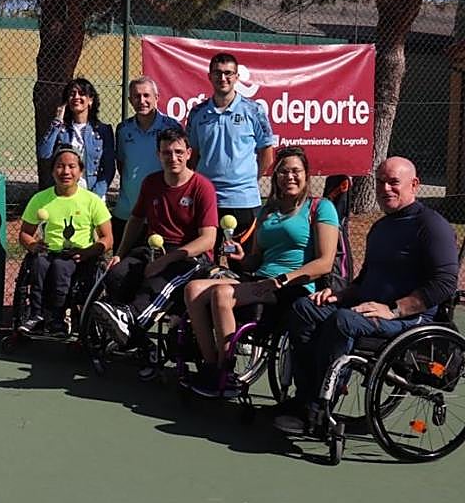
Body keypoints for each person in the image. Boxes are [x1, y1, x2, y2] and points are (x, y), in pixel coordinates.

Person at [279, 157, 459, 434]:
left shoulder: (432, 226)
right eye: (380, 182)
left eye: (393, 183)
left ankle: (317, 410)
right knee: (305, 308)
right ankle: (304, 398)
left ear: (415, 185)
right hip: (367, 308)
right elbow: (364, 281)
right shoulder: (381, 227)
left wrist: (395, 309)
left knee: (343, 322)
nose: (385, 189)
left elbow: (445, 283)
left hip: (409, 320)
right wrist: (340, 294)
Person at [181, 146, 338, 398]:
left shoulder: (320, 208)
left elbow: (324, 263)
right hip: (260, 279)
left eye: (296, 171)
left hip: (293, 287)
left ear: (307, 175)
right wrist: (242, 258)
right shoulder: (268, 210)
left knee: (222, 294)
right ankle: (211, 365)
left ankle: (226, 372)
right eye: (283, 172)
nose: (289, 177)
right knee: (193, 288)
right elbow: (257, 260)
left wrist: (284, 279)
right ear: (275, 177)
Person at [89, 128, 218, 350]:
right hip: (153, 250)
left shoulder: (202, 187)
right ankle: (140, 344)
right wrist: (119, 254)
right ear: (158, 155)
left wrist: (166, 260)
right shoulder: (151, 182)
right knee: (117, 275)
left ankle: (130, 319)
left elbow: (208, 240)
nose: (173, 158)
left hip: (191, 258)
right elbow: (136, 220)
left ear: (189, 153)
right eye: (167, 153)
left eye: (179, 152)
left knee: (161, 283)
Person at [17, 146, 113, 335]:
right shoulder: (40, 199)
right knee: (38, 264)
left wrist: (88, 252)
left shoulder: (92, 201)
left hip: (78, 257)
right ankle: (36, 315)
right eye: (60, 166)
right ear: (53, 171)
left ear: (80, 171)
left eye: (71, 166)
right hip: (48, 252)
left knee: (61, 266)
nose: (66, 172)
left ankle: (59, 318)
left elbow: (107, 238)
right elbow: (24, 233)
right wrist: (33, 245)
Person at [185, 52, 275, 247]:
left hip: (243, 200)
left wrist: (250, 179)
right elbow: (193, 155)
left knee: (242, 263)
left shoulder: (253, 110)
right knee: (206, 261)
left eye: (228, 73)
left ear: (237, 77)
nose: (223, 78)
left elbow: (266, 154)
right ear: (209, 76)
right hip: (206, 198)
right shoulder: (197, 113)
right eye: (217, 73)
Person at [112, 76, 181, 246]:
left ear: (156, 98)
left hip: (161, 212)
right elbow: (122, 164)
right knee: (122, 266)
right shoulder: (123, 129)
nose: (141, 101)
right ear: (130, 100)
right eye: (136, 96)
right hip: (127, 211)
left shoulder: (172, 127)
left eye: (146, 95)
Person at [37, 77, 115, 196]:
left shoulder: (103, 130)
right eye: (72, 94)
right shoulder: (60, 130)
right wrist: (57, 121)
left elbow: (108, 168)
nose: (76, 97)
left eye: (82, 94)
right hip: (64, 192)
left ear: (90, 100)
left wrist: (96, 195)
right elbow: (44, 153)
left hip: (92, 192)